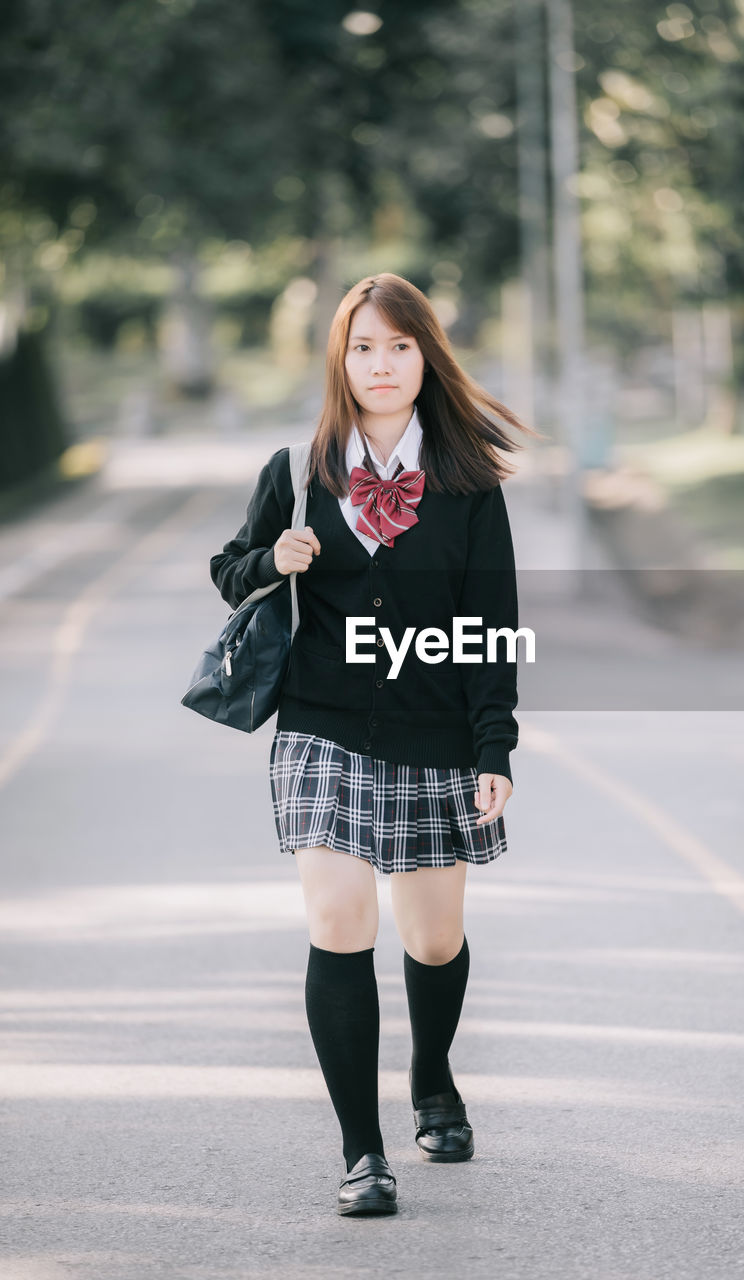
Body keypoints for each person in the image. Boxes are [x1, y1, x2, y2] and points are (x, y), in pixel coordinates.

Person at [210, 272, 537, 1216]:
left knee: (432, 939)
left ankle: (432, 1079)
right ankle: (363, 1154)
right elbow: (229, 570)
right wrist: (270, 560)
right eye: (362, 347)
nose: (380, 364)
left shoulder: (467, 480)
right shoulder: (299, 470)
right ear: (339, 360)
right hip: (321, 727)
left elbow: (491, 623)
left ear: (424, 356)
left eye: (398, 345)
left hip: (436, 732)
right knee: (338, 921)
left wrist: (493, 748)